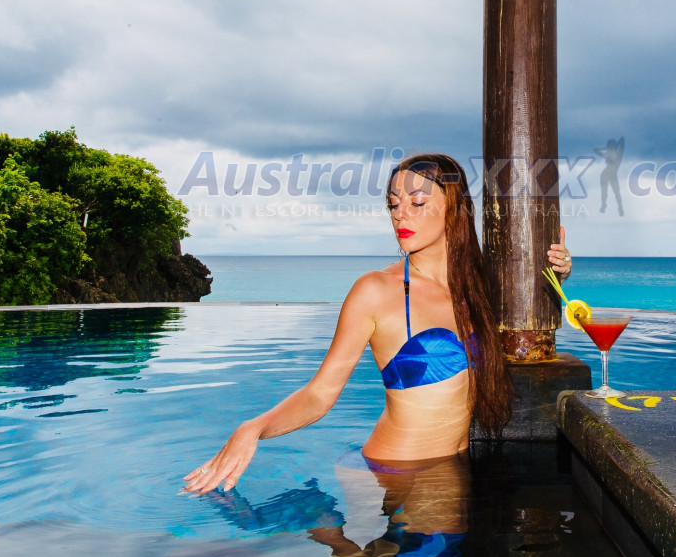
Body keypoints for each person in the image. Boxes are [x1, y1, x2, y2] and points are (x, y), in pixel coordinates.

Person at [184, 153, 572, 494]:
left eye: (417, 201)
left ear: (455, 209)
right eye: (393, 204)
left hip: (453, 469)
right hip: (397, 472)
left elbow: (528, 303)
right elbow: (320, 394)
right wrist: (253, 428)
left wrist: (558, 273)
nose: (400, 213)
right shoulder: (375, 291)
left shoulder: (478, 286)